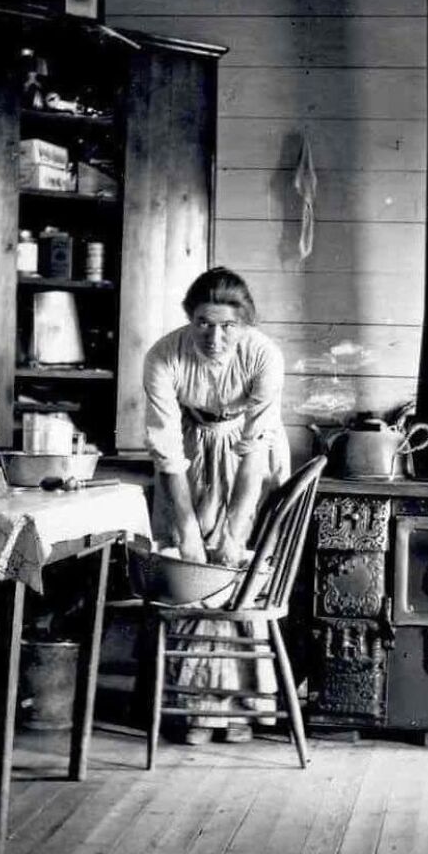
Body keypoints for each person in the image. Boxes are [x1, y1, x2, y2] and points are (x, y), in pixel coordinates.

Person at [143, 266, 290, 744]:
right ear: (190, 319)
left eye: (228, 325)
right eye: (204, 322)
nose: (215, 336)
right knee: (191, 569)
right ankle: (194, 709)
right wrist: (188, 534)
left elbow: (254, 452)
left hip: (250, 453)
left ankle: (244, 709)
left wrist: (236, 530)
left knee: (235, 570)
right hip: (189, 452)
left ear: (244, 323)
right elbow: (168, 455)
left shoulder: (263, 355)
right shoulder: (165, 356)